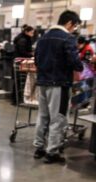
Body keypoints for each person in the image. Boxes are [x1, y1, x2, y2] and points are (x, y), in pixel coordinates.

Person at [34, 10, 84, 163]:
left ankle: (39, 147)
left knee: (42, 116)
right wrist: (80, 66)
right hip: (59, 83)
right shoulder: (67, 38)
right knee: (58, 118)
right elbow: (74, 61)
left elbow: (36, 59)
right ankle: (52, 152)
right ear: (69, 23)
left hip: (42, 82)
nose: (74, 30)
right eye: (74, 26)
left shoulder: (43, 38)